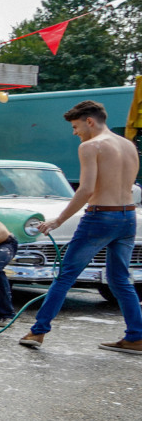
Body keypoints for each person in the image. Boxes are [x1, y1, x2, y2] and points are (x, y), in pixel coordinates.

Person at [20, 100, 142, 353]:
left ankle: (38, 331)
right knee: (120, 280)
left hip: (100, 217)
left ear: (89, 121)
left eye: (75, 126)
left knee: (65, 275)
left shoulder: (91, 146)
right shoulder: (128, 145)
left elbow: (86, 189)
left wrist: (57, 220)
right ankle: (136, 337)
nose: (74, 132)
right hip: (128, 217)